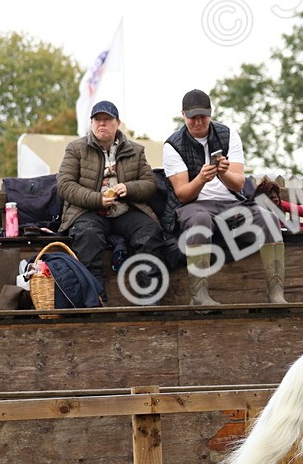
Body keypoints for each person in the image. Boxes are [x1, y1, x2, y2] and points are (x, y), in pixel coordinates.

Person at [162, 89, 287, 305]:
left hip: (232, 203)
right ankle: (199, 295)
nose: (198, 122)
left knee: (268, 218)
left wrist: (223, 172)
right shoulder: (172, 145)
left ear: (210, 113)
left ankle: (276, 294)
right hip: (194, 205)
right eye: (193, 117)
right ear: (183, 114)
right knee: (200, 220)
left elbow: (238, 183)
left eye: (202, 116)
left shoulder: (228, 134)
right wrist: (201, 179)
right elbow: (182, 195)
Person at [57, 101, 171, 301]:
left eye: (107, 119)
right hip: (88, 211)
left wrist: (129, 188)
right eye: (97, 120)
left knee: (149, 233)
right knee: (87, 235)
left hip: (126, 210)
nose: (102, 124)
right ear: (91, 124)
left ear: (118, 123)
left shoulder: (136, 150)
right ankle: (96, 300)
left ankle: (152, 299)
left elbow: (149, 184)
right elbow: (65, 185)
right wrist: (97, 199)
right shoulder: (76, 148)